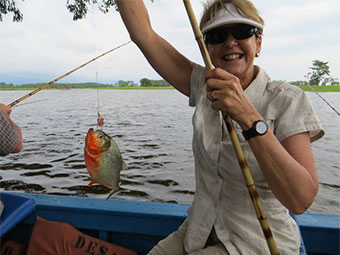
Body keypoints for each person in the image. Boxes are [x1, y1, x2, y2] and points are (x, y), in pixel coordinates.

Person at [116, 0, 324, 254]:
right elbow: (144, 34)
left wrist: (247, 116)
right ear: (208, 48)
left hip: (256, 243)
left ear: (258, 43)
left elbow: (300, 199)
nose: (230, 42)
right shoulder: (202, 84)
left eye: (241, 32)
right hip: (199, 229)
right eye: (216, 35)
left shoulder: (287, 100)